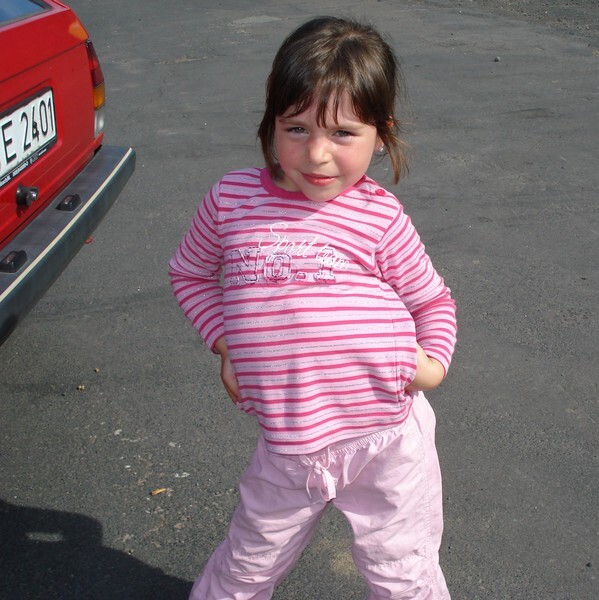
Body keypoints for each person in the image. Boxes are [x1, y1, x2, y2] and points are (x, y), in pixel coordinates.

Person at [169, 16, 457, 600]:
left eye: (343, 133)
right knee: (246, 564)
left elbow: (432, 299)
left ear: (381, 134)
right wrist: (227, 344)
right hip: (286, 443)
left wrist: (430, 365)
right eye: (295, 128)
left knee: (401, 572)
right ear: (270, 121)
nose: (317, 154)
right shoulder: (231, 200)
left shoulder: (379, 216)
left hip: (387, 439)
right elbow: (190, 273)